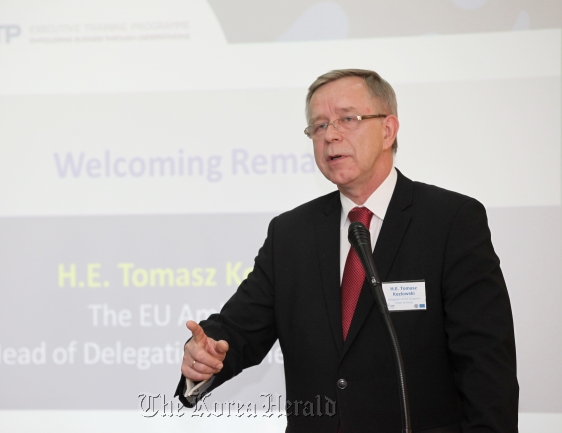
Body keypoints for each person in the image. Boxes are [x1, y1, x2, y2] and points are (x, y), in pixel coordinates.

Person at [174, 69, 518, 432]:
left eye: (347, 119)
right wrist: (205, 355)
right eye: (318, 126)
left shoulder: (450, 221)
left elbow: (486, 366)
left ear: (388, 130)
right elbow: (237, 331)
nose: (331, 135)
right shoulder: (291, 233)